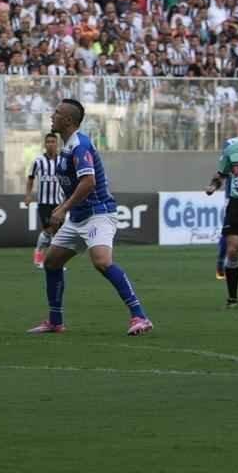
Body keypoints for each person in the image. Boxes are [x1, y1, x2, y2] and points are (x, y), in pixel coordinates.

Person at [29, 99, 153, 336]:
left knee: (102, 261)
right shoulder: (67, 147)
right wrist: (64, 208)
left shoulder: (80, 145)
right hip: (78, 217)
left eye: (57, 113)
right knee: (51, 262)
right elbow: (74, 185)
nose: (52, 116)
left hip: (98, 213)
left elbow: (88, 182)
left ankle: (140, 317)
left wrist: (63, 209)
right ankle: (55, 321)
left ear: (68, 120)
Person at [205, 112, 238, 308]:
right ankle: (232, 298)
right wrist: (213, 186)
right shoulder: (232, 149)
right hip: (237, 205)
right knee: (232, 250)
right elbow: (221, 174)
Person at [24, 132, 64, 268]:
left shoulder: (62, 161)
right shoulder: (38, 161)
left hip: (59, 202)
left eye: (53, 142)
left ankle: (54, 262)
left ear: (57, 144)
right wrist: (28, 195)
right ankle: (39, 256)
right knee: (48, 230)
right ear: (45, 144)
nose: (50, 144)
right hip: (44, 202)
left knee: (57, 232)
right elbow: (30, 178)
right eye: (48, 142)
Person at [216, 135, 234, 282]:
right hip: (233, 197)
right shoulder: (231, 144)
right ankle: (221, 261)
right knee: (229, 232)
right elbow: (223, 171)